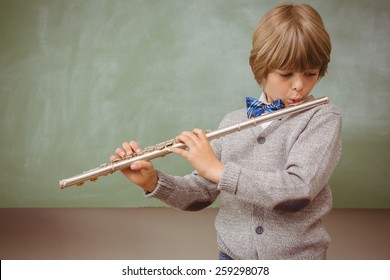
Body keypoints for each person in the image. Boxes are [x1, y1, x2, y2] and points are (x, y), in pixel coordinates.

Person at [111, 3, 342, 260]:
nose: (299, 85)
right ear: (261, 68)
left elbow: (298, 190)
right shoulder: (233, 121)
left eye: (310, 73)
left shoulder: (322, 118)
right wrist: (153, 181)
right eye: (286, 74)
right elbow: (202, 192)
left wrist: (219, 171)